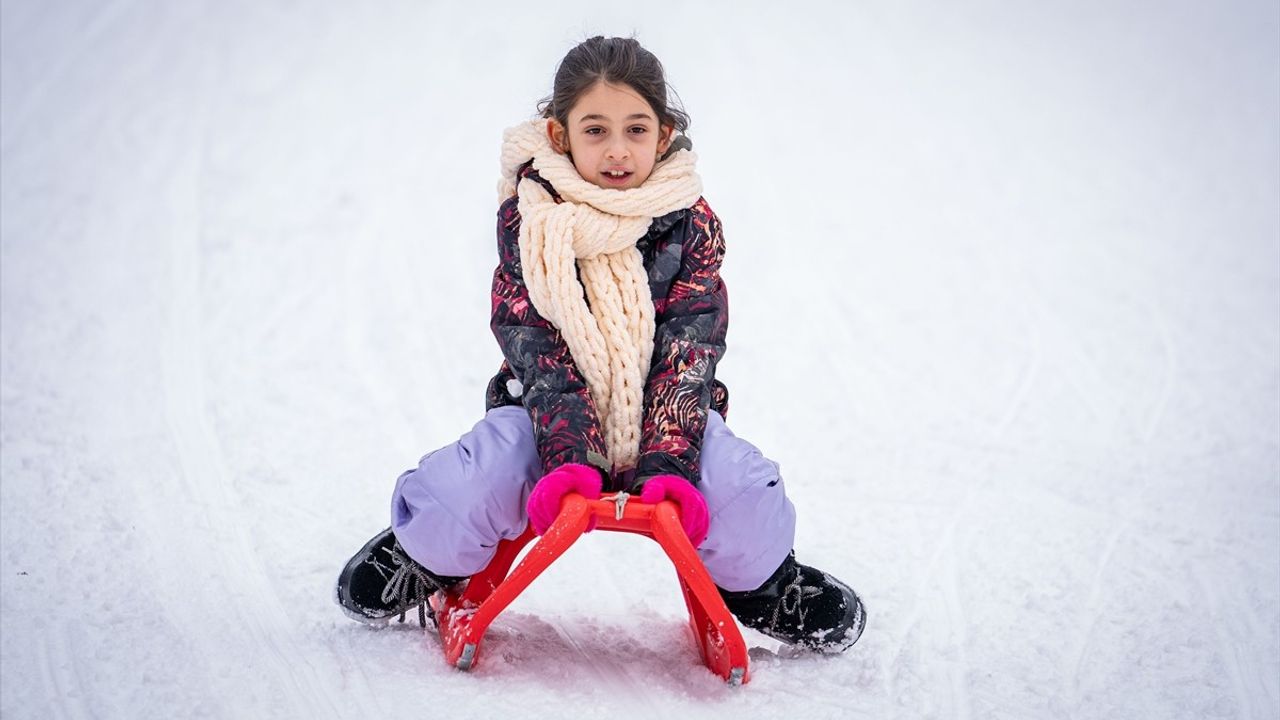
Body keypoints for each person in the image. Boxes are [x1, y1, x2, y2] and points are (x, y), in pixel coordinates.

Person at [335, 35, 866, 653]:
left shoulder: (691, 223)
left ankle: (765, 584)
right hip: (544, 414)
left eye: (636, 130)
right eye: (595, 131)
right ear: (560, 137)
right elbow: (536, 348)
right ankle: (425, 553)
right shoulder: (534, 222)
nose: (617, 151)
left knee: (744, 489)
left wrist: (670, 461)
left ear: (663, 136)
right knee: (474, 481)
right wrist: (568, 457)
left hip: (670, 420)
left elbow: (689, 352)